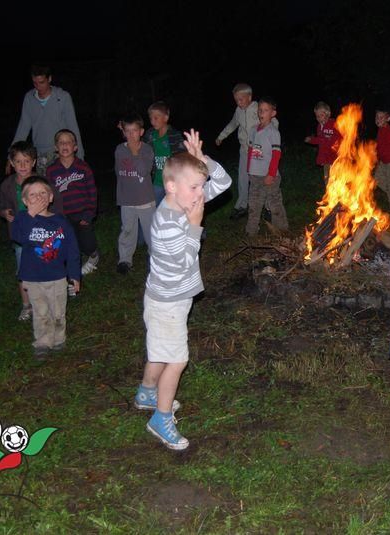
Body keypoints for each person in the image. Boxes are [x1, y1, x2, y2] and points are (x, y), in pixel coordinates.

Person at [133, 130, 232, 451]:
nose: (201, 193)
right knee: (176, 360)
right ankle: (160, 418)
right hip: (168, 303)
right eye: (195, 187)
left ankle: (147, 392)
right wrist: (195, 225)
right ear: (171, 186)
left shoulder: (185, 199)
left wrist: (203, 160)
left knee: (160, 351)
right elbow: (186, 261)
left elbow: (224, 182)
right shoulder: (168, 222)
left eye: (201, 186)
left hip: (169, 299)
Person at [10, 176, 80, 359]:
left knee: (58, 311)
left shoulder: (61, 222)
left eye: (43, 193)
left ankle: (58, 339)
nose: (39, 197)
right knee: (40, 312)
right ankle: (42, 342)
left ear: (50, 197)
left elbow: (72, 249)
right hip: (33, 277)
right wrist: (31, 215)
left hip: (57, 276)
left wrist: (74, 275)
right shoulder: (22, 219)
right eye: (33, 195)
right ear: (25, 201)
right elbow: (19, 237)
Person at [215, 83, 277, 220]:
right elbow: (233, 124)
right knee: (243, 178)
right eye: (236, 100)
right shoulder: (238, 111)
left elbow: (273, 121)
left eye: (241, 99)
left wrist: (271, 135)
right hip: (244, 150)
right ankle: (242, 206)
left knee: (261, 178)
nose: (238, 102)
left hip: (259, 152)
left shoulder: (258, 108)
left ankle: (268, 207)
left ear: (249, 97)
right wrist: (221, 136)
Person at [9, 65, 84, 175]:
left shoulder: (63, 97)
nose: (38, 87)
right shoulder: (29, 98)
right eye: (35, 83)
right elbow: (23, 128)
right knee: (43, 185)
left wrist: (80, 156)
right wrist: (11, 155)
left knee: (64, 184)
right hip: (41, 154)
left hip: (61, 152)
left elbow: (73, 127)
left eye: (42, 82)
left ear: (49, 79)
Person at [45, 129, 99, 279]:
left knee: (87, 243)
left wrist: (89, 213)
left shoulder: (83, 167)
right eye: (61, 142)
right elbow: (48, 194)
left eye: (68, 142)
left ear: (75, 147)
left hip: (82, 213)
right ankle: (71, 270)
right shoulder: (51, 170)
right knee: (68, 244)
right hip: (62, 215)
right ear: (56, 147)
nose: (65, 145)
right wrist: (51, 215)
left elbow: (92, 191)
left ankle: (93, 256)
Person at [0, 141, 40, 321]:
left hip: (40, 235)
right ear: (12, 162)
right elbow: (2, 206)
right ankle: (26, 305)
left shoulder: (40, 182)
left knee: (42, 268)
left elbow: (52, 204)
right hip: (20, 237)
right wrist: (4, 212)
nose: (22, 165)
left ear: (34, 162)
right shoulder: (7, 185)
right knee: (23, 272)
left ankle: (42, 302)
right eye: (18, 161)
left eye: (26, 161)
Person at [115, 114, 156, 275]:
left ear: (141, 132)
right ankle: (125, 259)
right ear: (123, 132)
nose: (131, 135)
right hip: (127, 200)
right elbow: (119, 172)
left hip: (145, 199)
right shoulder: (120, 149)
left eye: (135, 131)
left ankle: (154, 258)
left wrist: (134, 152)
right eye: (128, 131)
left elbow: (143, 171)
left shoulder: (146, 150)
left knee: (150, 231)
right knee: (127, 230)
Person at [245, 97, 288, 236]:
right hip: (255, 175)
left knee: (274, 204)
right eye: (260, 110)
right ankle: (251, 231)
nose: (261, 113)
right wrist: (249, 169)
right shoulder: (253, 130)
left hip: (270, 176)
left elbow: (276, 155)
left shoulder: (273, 132)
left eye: (265, 110)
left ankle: (281, 231)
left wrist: (271, 174)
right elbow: (250, 151)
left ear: (273, 113)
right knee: (254, 204)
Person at [145, 101, 186, 205]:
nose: (152, 121)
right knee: (155, 209)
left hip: (173, 182)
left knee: (174, 208)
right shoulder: (150, 135)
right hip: (157, 182)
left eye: (156, 118)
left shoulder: (174, 135)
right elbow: (138, 144)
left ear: (166, 118)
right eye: (151, 118)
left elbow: (183, 157)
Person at [304, 101, 341, 184]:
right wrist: (311, 140)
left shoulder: (334, 124)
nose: (319, 118)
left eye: (321, 115)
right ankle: (329, 191)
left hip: (334, 157)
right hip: (326, 158)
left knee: (336, 178)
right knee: (327, 178)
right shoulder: (319, 127)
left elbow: (340, 137)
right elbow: (320, 140)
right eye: (317, 116)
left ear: (328, 114)